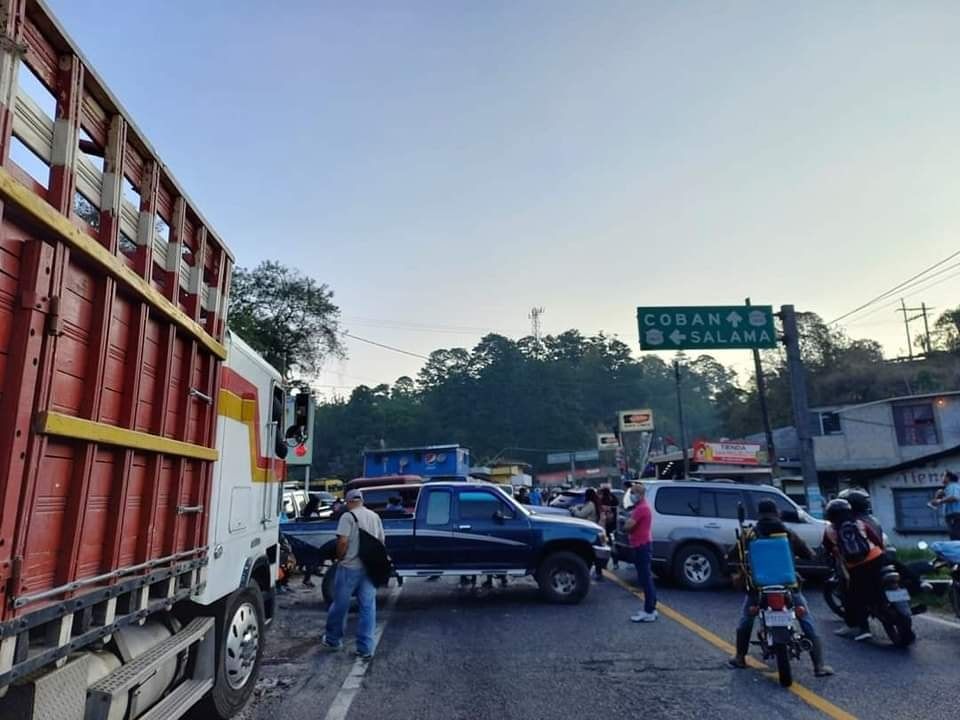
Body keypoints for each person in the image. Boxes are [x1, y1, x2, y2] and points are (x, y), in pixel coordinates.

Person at [726, 499, 833, 676]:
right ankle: (819, 666)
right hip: (788, 586)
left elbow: (731, 556)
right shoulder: (787, 533)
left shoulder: (750, 534)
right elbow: (809, 554)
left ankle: (739, 656)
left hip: (759, 588)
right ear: (777, 513)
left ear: (759, 514)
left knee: (747, 618)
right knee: (805, 618)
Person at [321, 489, 385, 659]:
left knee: (340, 604)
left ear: (348, 502)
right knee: (368, 607)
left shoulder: (347, 517)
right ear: (362, 500)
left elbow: (342, 541)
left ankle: (333, 640)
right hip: (369, 568)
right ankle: (365, 649)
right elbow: (380, 542)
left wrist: (340, 558)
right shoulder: (374, 517)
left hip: (350, 567)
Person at [823, 497, 885, 642]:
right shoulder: (860, 523)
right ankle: (918, 584)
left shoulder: (830, 530)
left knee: (853, 596)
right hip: (876, 558)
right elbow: (876, 540)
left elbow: (828, 549)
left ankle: (862, 628)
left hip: (856, 567)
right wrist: (881, 553)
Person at [623, 483, 657, 622]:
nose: (631, 495)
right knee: (646, 578)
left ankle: (649, 610)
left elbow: (628, 526)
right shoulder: (641, 507)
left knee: (645, 579)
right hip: (643, 544)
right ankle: (651, 608)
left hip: (641, 546)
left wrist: (626, 525)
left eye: (633, 492)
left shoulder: (641, 509)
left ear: (640, 494)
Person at [572, 488, 606, 580]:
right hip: (594, 531)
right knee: (593, 554)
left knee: (588, 553)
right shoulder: (595, 503)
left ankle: (587, 573)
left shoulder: (590, 504)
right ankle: (598, 573)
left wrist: (574, 509)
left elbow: (580, 514)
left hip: (588, 531)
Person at [932, 471, 960, 540]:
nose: (942, 478)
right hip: (952, 516)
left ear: (948, 478)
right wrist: (938, 497)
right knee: (954, 537)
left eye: (943, 476)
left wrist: (939, 501)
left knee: (956, 538)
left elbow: (954, 497)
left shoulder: (953, 486)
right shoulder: (947, 489)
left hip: (956, 515)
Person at [599, 487, 619, 569]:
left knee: (604, 545)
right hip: (613, 525)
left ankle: (604, 565)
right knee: (612, 544)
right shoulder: (614, 499)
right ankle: (615, 563)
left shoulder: (602, 501)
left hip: (604, 526)